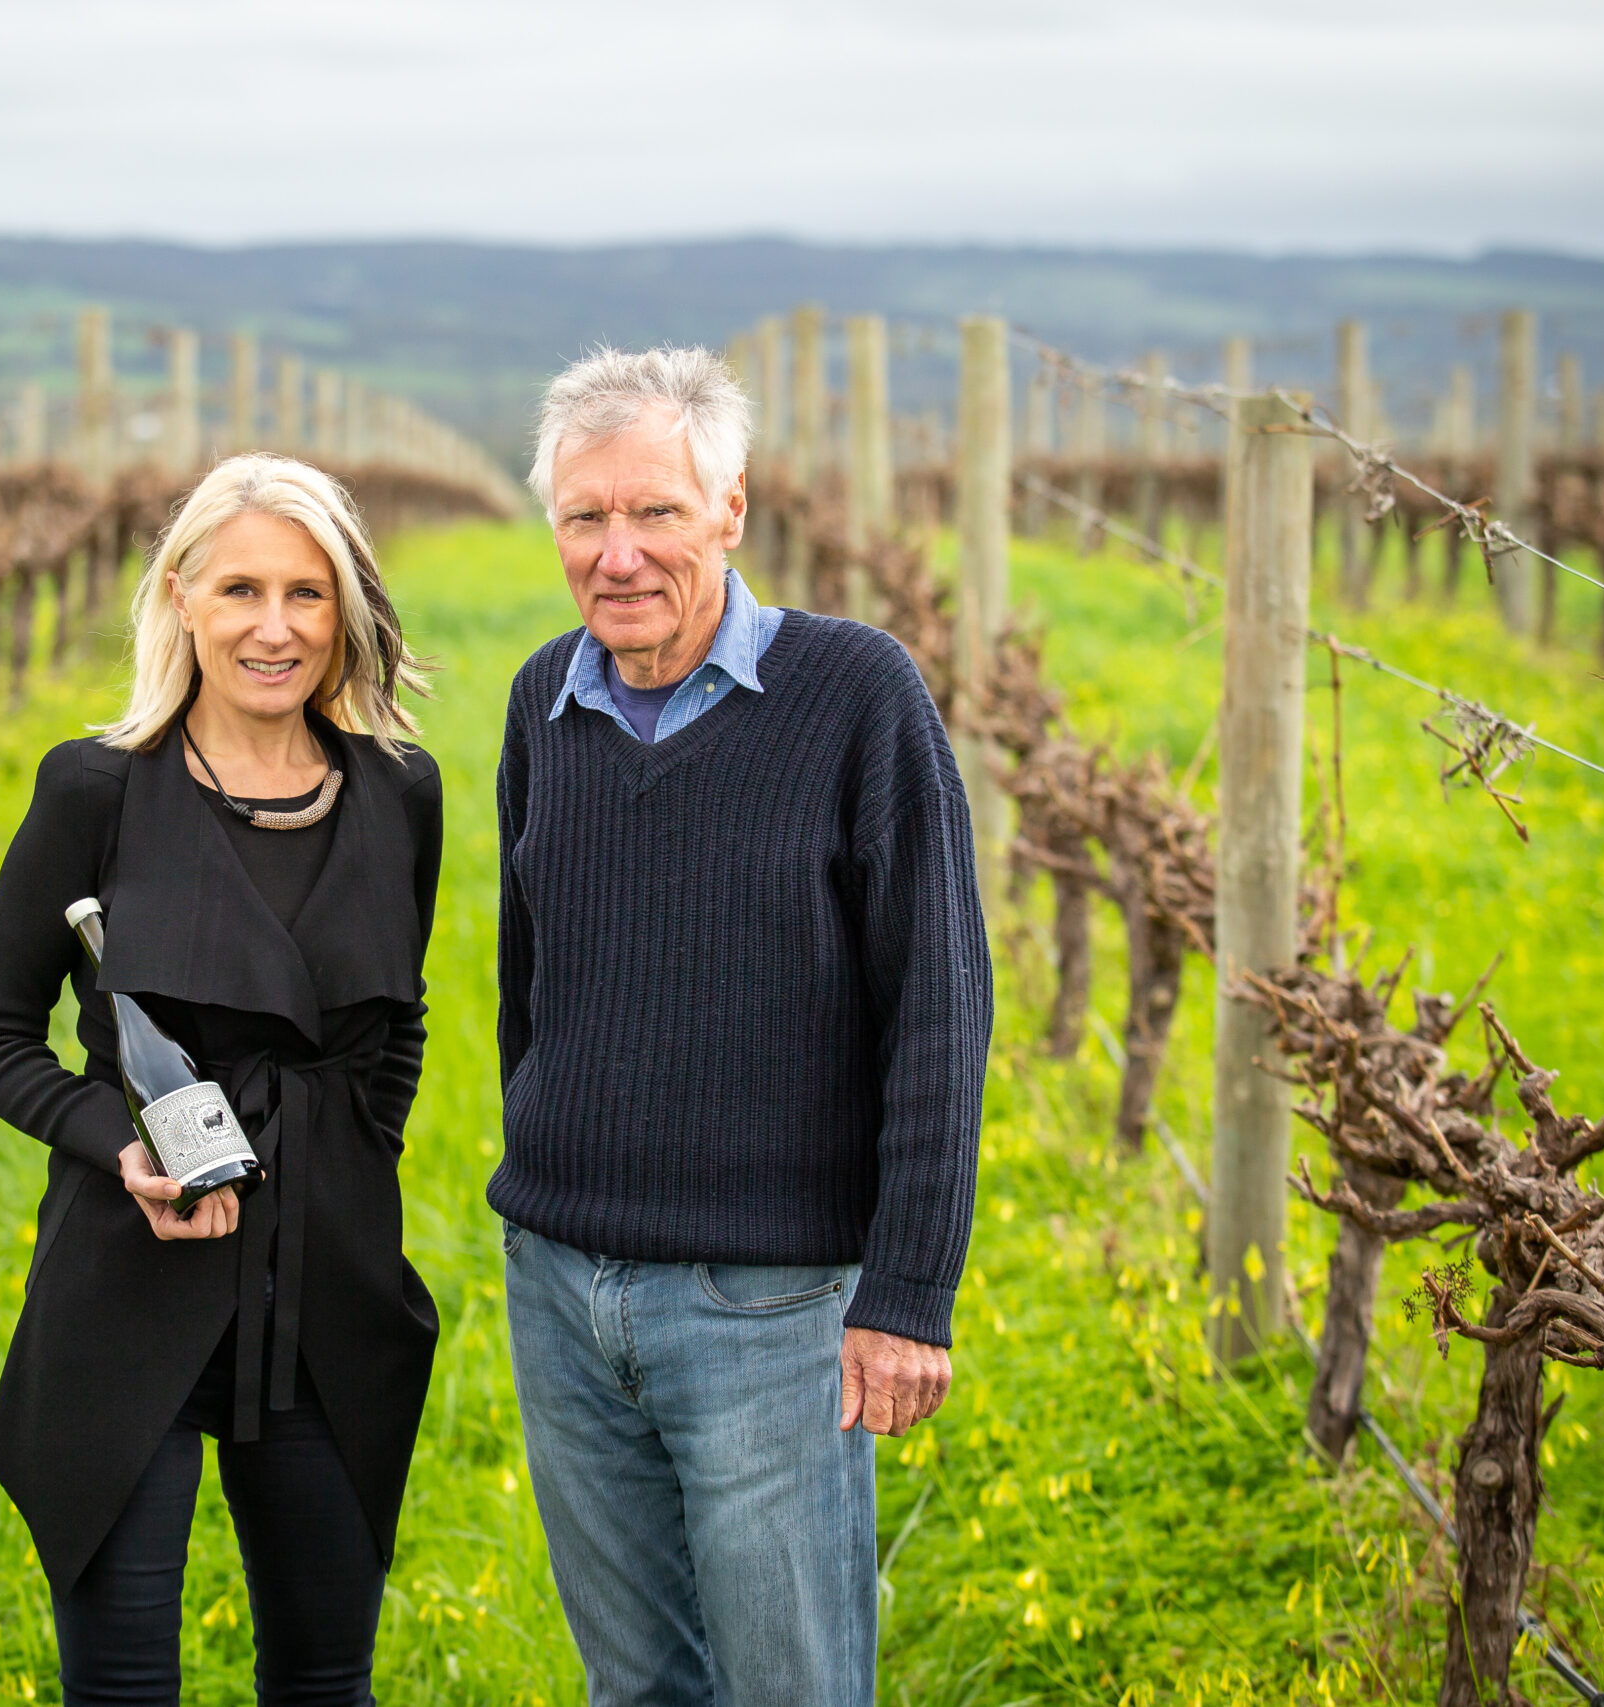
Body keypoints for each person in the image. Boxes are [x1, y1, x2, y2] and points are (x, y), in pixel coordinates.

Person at [491, 347, 993, 1706]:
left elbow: (939, 1002)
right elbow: (526, 984)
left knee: (792, 1684)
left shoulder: (854, 695)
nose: (619, 552)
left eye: (655, 510)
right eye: (585, 516)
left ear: (731, 510)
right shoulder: (545, 698)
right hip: (561, 1288)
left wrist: (906, 1289)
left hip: (767, 1303)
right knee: (636, 1684)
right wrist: (543, 1181)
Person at [0, 454, 442, 1707]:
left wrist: (348, 1162)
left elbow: (400, 1019)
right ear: (180, 598)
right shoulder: (96, 789)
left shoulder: (399, 793)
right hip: (131, 1283)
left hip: (328, 1288)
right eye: (238, 590)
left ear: (346, 613)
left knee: (326, 1683)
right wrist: (111, 1145)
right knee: (121, 1688)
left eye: (306, 594)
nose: (272, 628)